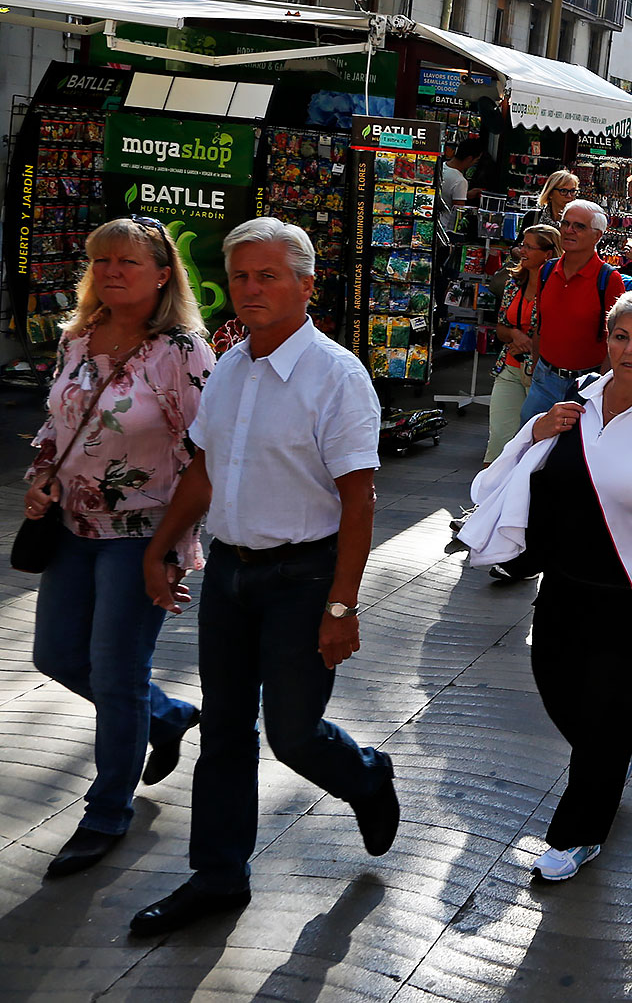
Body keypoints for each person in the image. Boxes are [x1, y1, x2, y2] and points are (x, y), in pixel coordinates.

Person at [130, 219, 397, 935]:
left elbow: (360, 496)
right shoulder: (232, 367)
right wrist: (162, 546)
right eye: (240, 275)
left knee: (293, 733)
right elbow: (206, 468)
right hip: (230, 574)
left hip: (304, 577)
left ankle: (367, 775)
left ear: (306, 286)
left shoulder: (336, 376)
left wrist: (343, 603)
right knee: (224, 729)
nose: (250, 288)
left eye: (267, 275)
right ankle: (218, 876)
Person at [477, 291, 632, 881]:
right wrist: (537, 429)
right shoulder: (576, 400)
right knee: (557, 686)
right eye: (621, 336)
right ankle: (611, 751)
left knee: (606, 713)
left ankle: (578, 832)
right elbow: (519, 467)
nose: (630, 349)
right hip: (565, 581)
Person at [25, 217, 213, 877]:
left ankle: (106, 811)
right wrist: (43, 473)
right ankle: (161, 715)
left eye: (126, 262)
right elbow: (58, 419)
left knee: (115, 671)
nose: (109, 271)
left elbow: (204, 456)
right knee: (55, 654)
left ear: (163, 273)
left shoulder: (182, 351)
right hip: (73, 530)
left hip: (141, 536)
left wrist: (169, 547)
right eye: (100, 259)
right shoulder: (79, 336)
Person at [518, 200, 627, 427]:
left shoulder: (609, 280)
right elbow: (540, 325)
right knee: (528, 444)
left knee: (572, 454)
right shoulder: (547, 271)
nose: (569, 230)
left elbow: (615, 339)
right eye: (566, 224)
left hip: (586, 384)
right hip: (544, 379)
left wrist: (601, 386)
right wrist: (539, 367)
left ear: (597, 236)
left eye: (579, 226)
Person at [485, 225, 560, 464]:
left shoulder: (558, 287)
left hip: (541, 373)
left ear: (548, 254)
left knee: (533, 444)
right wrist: (515, 335)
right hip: (509, 367)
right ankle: (487, 498)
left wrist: (531, 344)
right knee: (498, 440)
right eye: (522, 245)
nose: (521, 251)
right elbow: (500, 328)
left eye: (529, 247)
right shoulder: (513, 282)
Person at [439, 139, 481, 217]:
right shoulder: (460, 181)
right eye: (476, 160)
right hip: (446, 225)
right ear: (469, 158)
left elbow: (446, 194)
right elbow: (459, 213)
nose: (475, 163)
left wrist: (466, 195)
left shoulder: (442, 167)